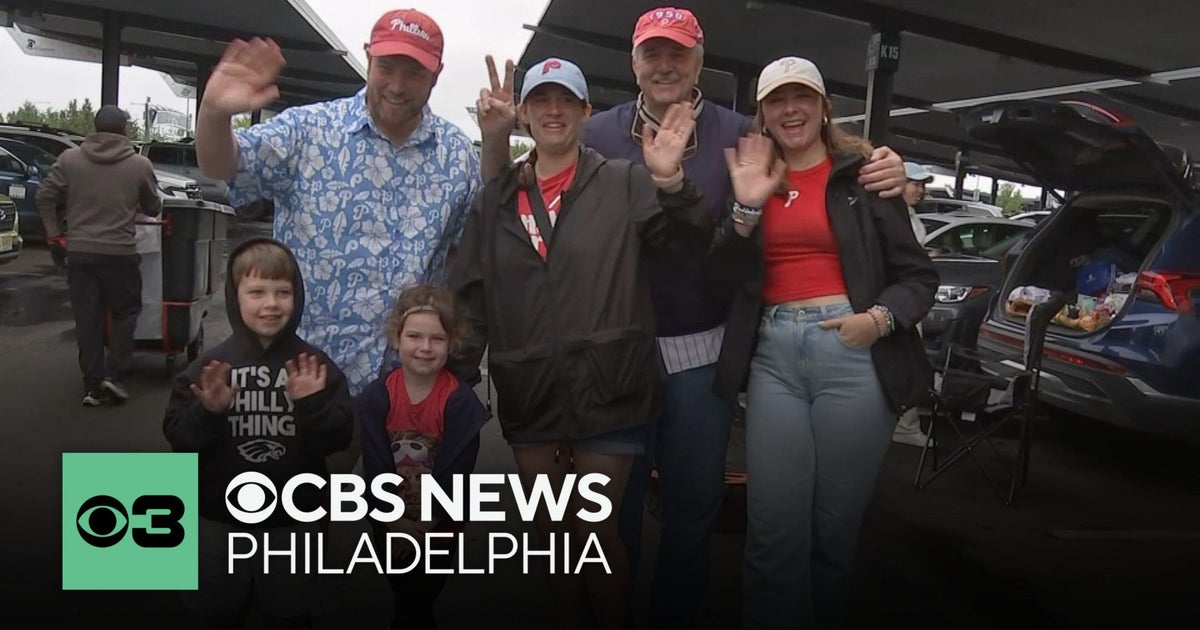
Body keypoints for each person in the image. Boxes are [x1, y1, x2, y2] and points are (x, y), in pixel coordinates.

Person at [476, 7, 908, 626]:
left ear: (699, 60)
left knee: (692, 510)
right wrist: (495, 140)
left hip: (699, 354)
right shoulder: (595, 133)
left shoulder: (743, 134)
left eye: (677, 53)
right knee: (608, 516)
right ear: (634, 63)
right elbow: (509, 202)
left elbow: (819, 163)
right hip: (610, 357)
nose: (665, 65)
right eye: (652, 54)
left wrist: (885, 168)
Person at [453, 57, 709, 630]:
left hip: (609, 384)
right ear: (523, 113)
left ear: (586, 113)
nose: (552, 111)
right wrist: (455, 380)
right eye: (540, 101)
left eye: (565, 101)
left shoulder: (623, 180)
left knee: (595, 531)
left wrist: (672, 181)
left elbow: (689, 246)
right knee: (550, 534)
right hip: (530, 384)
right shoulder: (496, 198)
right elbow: (470, 290)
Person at [709, 57, 938, 629]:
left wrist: (880, 320)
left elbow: (919, 277)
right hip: (775, 358)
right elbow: (721, 276)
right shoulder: (750, 174)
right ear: (762, 113)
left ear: (823, 106)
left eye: (802, 97)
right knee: (772, 530)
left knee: (833, 531)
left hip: (854, 352)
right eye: (778, 100)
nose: (791, 110)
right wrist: (744, 206)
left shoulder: (863, 176)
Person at [195, 9, 480, 395]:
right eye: (387, 67)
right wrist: (214, 113)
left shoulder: (458, 155)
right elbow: (221, 165)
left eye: (414, 73)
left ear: (437, 74)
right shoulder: (308, 130)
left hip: (409, 379)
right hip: (307, 373)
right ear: (368, 57)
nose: (397, 86)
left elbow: (468, 254)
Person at [162, 238, 354, 628]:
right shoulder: (210, 366)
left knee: (289, 615)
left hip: (293, 525)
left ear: (297, 297)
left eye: (283, 292)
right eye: (257, 291)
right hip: (216, 522)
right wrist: (209, 412)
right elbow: (179, 439)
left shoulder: (315, 367)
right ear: (235, 298)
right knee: (214, 614)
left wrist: (313, 406)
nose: (271, 303)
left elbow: (339, 439)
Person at [356, 284, 489, 629]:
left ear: (453, 343)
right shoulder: (377, 397)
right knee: (405, 593)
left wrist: (424, 527)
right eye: (415, 336)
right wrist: (394, 523)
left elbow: (456, 474)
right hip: (389, 521)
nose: (425, 348)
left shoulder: (460, 403)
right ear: (398, 339)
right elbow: (375, 467)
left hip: (441, 523)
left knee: (420, 594)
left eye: (437, 339)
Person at [34, 105, 162, 406]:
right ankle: (113, 375)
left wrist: (54, 235)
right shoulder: (139, 165)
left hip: (80, 254)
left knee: (87, 319)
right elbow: (153, 207)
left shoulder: (70, 159)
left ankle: (92, 384)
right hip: (120, 255)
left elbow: (44, 196)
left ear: (95, 127)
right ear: (125, 130)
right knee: (126, 312)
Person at [893, 161, 935, 447]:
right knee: (905, 365)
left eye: (922, 185)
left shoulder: (909, 217)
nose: (919, 190)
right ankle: (904, 427)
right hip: (899, 304)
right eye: (914, 183)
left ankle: (904, 425)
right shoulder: (895, 217)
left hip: (905, 303)